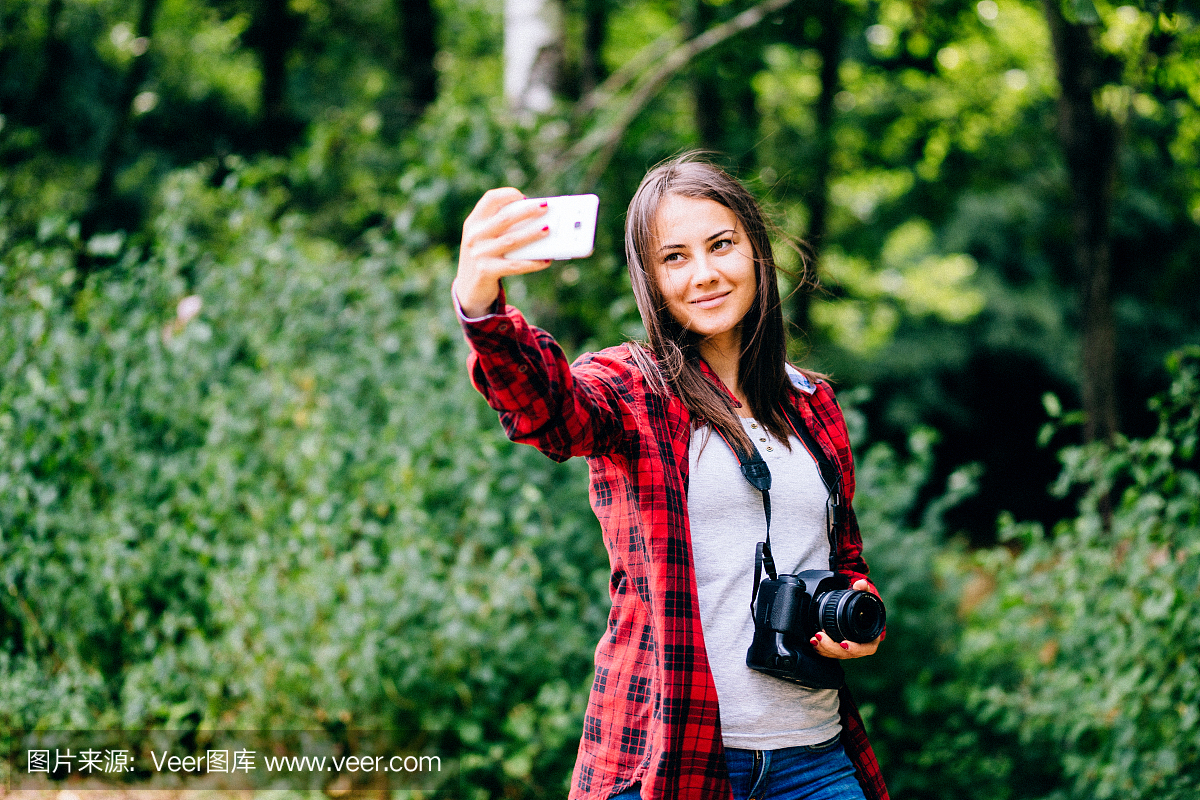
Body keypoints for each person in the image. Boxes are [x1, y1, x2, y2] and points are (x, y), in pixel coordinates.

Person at [453, 154, 888, 800]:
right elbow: (547, 409)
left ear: (756, 252)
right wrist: (481, 308)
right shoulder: (635, 389)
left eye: (721, 245)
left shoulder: (813, 404)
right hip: (671, 756)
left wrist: (860, 619)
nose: (705, 274)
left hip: (813, 759)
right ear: (650, 280)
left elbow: (844, 558)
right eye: (675, 258)